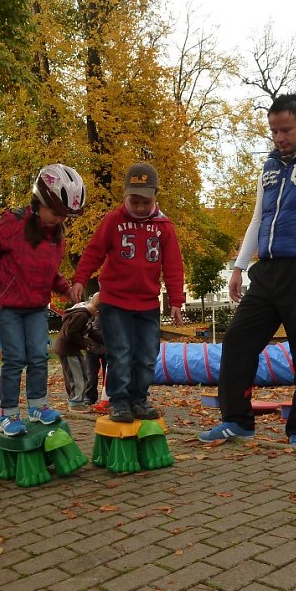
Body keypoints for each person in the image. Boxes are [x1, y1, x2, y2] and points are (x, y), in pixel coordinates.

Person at [198, 93, 296, 447]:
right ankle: (237, 420)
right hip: (266, 271)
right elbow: (258, 218)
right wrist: (239, 266)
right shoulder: (269, 166)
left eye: (286, 130)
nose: (280, 138)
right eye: (274, 131)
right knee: (237, 340)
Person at [0, 164, 86, 436]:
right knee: (15, 359)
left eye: (65, 216)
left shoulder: (56, 239)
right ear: (39, 202)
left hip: (36, 307)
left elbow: (49, 273)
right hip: (8, 307)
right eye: (56, 212)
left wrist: (67, 289)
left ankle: (37, 405)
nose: (60, 220)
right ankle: (8, 413)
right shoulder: (12, 224)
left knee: (38, 357)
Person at [71, 162, 185, 423]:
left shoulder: (164, 227)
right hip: (114, 302)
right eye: (134, 201)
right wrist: (79, 279)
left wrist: (176, 301)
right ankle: (119, 401)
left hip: (147, 303)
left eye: (146, 201)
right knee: (120, 352)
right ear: (125, 196)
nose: (140, 207)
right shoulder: (113, 220)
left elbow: (173, 266)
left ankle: (139, 398)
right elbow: (93, 252)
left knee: (146, 354)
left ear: (155, 196)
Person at [54, 292, 105, 412]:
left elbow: (90, 330)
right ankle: (76, 402)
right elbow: (71, 332)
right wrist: (84, 343)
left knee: (79, 373)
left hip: (71, 350)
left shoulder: (85, 315)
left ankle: (77, 399)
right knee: (78, 376)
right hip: (68, 350)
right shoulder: (81, 315)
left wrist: (104, 340)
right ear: (97, 311)